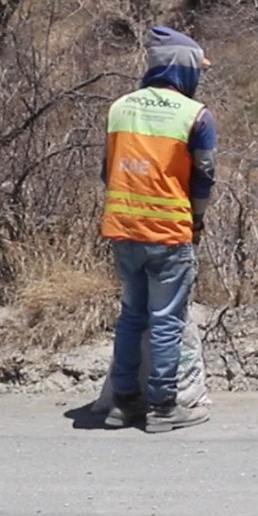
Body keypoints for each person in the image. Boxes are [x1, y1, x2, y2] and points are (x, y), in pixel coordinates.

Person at [100, 26, 216, 432]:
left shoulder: (120, 108)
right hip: (168, 234)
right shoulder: (195, 114)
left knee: (132, 315)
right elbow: (203, 178)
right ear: (184, 68)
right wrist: (196, 221)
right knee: (166, 319)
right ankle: (164, 408)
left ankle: (123, 403)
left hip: (123, 229)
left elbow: (107, 171)